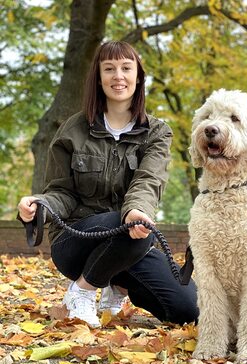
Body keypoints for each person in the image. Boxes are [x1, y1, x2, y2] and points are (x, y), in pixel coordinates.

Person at [17, 40, 198, 328]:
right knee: (127, 225)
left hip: (130, 240)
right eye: (109, 68)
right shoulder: (73, 129)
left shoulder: (157, 133)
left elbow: (148, 181)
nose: (118, 76)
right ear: (98, 77)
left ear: (138, 77)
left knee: (188, 308)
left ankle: (116, 287)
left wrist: (135, 211)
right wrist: (41, 204)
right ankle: (82, 291)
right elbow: (61, 191)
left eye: (127, 68)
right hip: (76, 240)